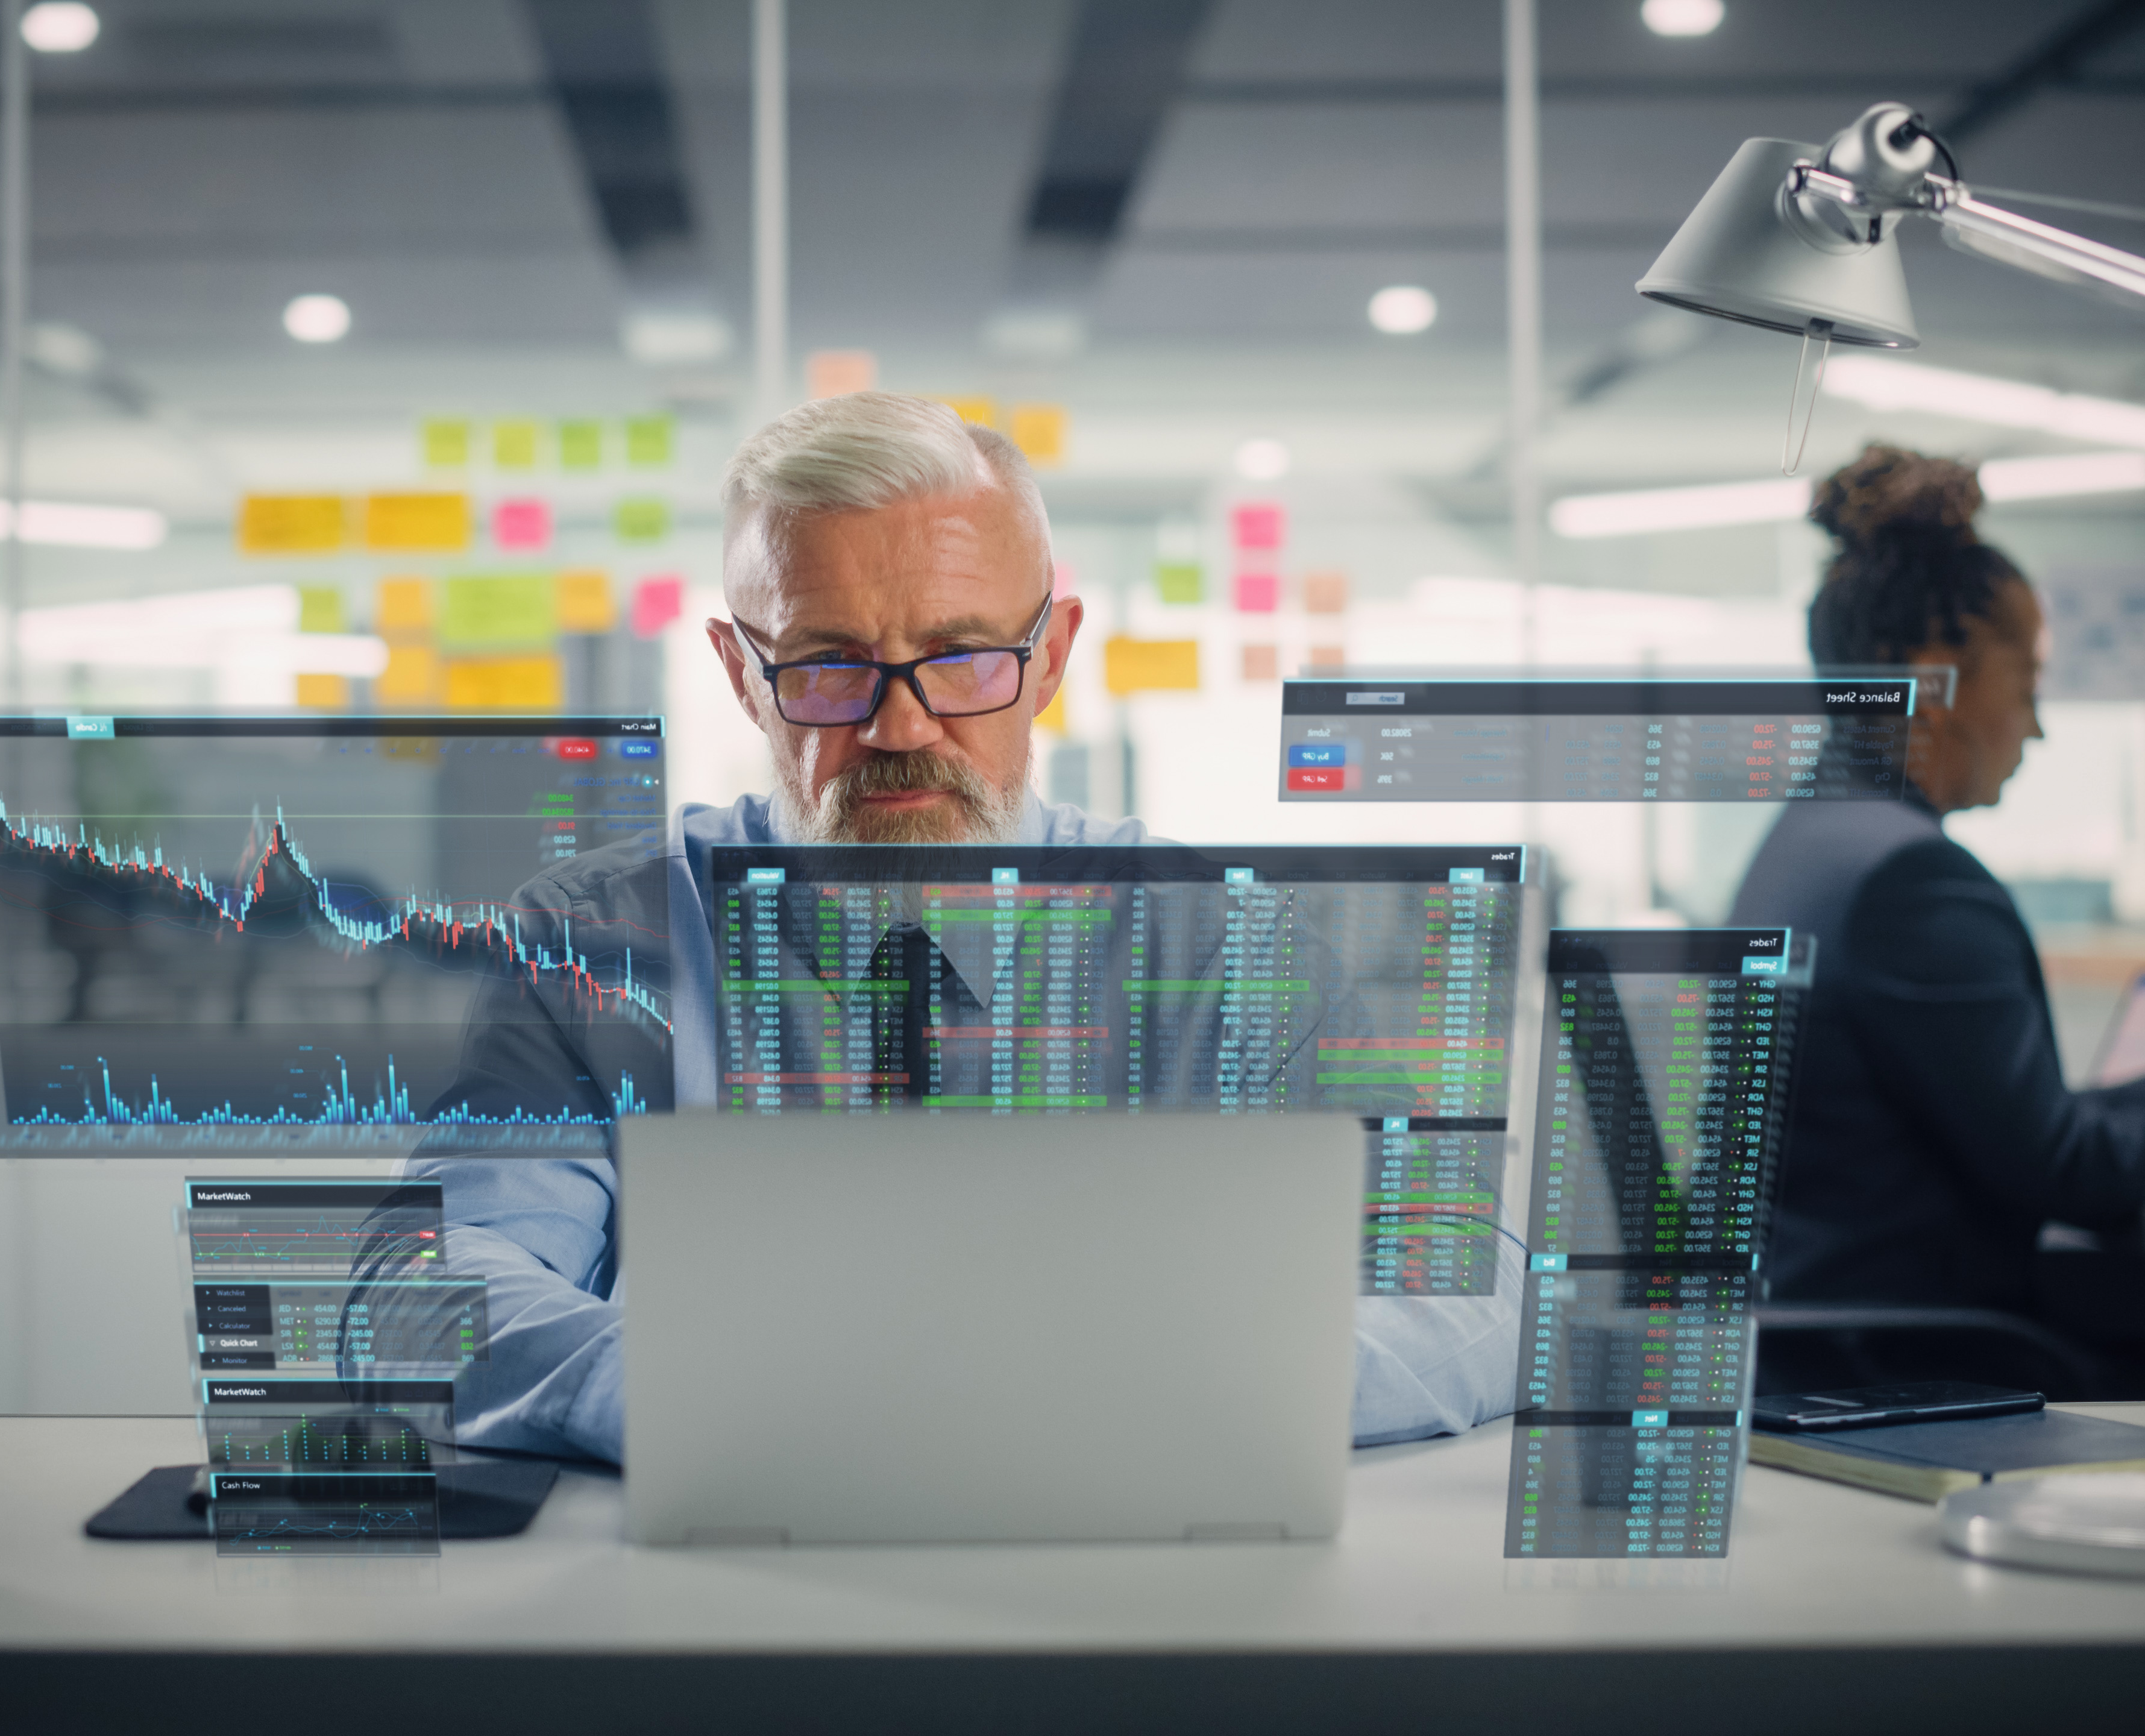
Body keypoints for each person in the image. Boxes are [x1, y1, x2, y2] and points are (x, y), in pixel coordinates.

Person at [390, 392, 1518, 1463]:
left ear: (1053, 658)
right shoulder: (591, 945)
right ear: (741, 673)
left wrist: (1137, 1405)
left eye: (964, 657)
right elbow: (435, 1275)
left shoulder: (1220, 946)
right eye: (831, 665)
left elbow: (1470, 1283)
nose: (902, 722)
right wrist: (705, 1400)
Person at [1729, 444, 2145, 1392]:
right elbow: (2056, 1170)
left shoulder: (1806, 844)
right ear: (1939, 683)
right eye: (2025, 685)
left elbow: (1997, 1129)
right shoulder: (1910, 879)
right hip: (1913, 1358)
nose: (2037, 725)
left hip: (1816, 1334)